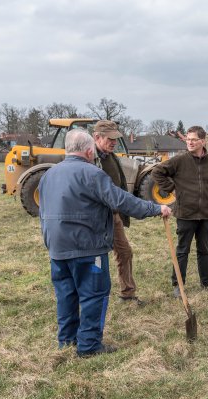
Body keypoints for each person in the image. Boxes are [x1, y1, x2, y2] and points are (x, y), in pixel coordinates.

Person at [39, 129, 171, 358]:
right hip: (87, 247)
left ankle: (67, 340)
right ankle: (89, 345)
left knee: (66, 294)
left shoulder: (49, 175)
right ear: (90, 151)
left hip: (57, 248)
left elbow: (43, 210)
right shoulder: (92, 174)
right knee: (93, 294)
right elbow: (122, 200)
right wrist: (155, 208)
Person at [151, 125, 208, 297]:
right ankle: (178, 285)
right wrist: (172, 189)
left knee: (204, 250)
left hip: (206, 214)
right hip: (185, 213)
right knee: (182, 250)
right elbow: (157, 172)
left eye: (194, 139)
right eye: (188, 139)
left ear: (203, 141)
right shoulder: (179, 160)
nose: (190, 142)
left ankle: (207, 284)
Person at [92, 120, 147, 306]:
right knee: (94, 258)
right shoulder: (89, 158)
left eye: (116, 138)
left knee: (125, 252)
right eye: (110, 138)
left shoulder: (110, 156)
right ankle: (91, 297)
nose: (114, 142)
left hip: (113, 216)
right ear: (97, 137)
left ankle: (127, 294)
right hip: (95, 218)